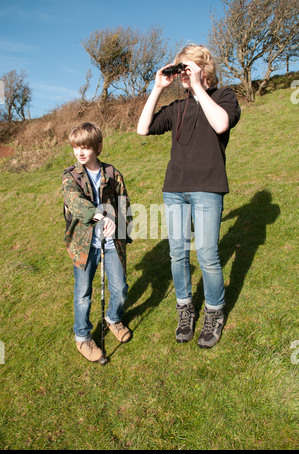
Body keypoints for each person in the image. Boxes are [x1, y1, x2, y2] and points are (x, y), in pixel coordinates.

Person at [137, 44, 241, 348]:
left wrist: (197, 86)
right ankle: (185, 309)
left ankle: (214, 312)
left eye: (186, 68)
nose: (180, 73)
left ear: (203, 69)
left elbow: (221, 123)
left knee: (208, 255)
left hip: (208, 188)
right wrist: (157, 88)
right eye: (178, 68)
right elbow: (143, 128)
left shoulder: (224, 97)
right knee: (177, 254)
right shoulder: (177, 107)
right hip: (175, 190)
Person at [62, 122, 132, 362]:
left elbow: (124, 204)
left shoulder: (112, 173)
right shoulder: (70, 176)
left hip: (111, 241)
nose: (80, 152)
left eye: (85, 147)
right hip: (84, 244)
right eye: (76, 147)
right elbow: (74, 201)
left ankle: (113, 318)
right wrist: (99, 215)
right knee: (83, 293)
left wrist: (122, 229)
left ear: (98, 147)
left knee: (120, 289)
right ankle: (82, 337)